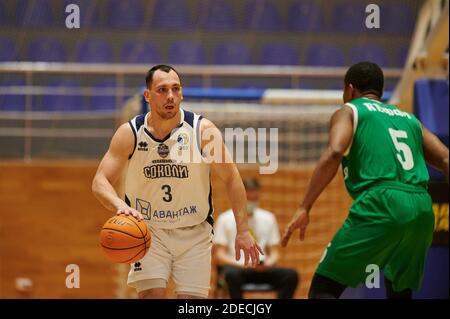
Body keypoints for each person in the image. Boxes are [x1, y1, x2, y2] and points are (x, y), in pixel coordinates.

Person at [92, 64, 262, 299]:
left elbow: (232, 178)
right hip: (149, 232)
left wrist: (242, 230)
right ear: (147, 95)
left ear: (181, 93)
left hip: (195, 234)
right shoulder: (130, 132)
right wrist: (118, 205)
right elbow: (100, 181)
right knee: (151, 295)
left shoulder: (202, 131)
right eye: (162, 90)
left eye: (175, 89)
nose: (170, 96)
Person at [281, 61, 449, 299]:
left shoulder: (350, 110)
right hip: (422, 207)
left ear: (350, 89)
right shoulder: (409, 119)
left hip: (382, 203)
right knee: (399, 290)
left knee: (324, 286)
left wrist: (304, 206)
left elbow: (335, 151)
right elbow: (446, 158)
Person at [214, 177, 299, 299]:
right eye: (249, 199)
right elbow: (219, 255)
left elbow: (275, 252)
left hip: (261, 269)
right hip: (237, 269)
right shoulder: (225, 219)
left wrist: (267, 264)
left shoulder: (268, 218)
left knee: (291, 275)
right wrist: (243, 265)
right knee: (231, 275)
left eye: (255, 199)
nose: (252, 203)